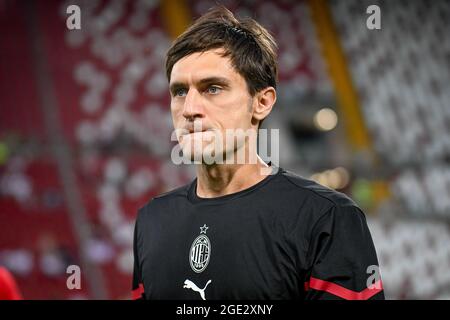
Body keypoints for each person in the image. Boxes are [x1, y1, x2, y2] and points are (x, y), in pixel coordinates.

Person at [132, 6, 384, 300]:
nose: (189, 109)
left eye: (212, 88)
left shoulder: (327, 218)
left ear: (261, 102)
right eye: (179, 91)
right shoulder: (152, 221)